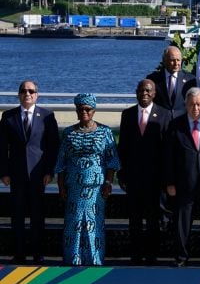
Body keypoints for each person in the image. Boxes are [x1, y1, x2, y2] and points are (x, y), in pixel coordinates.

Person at [53, 94, 119, 265]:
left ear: (94, 110)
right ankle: (73, 259)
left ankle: (94, 260)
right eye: (80, 109)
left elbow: (112, 161)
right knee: (74, 224)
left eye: (87, 109)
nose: (84, 112)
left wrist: (108, 184)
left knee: (94, 224)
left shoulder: (105, 132)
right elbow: (62, 161)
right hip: (74, 187)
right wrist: (61, 186)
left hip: (96, 189)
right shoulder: (69, 133)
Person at [0, 80, 59, 264]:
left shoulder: (47, 116)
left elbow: (53, 146)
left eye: (31, 91)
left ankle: (37, 253)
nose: (27, 94)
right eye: (23, 91)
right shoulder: (8, 116)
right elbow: (2, 147)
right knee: (17, 216)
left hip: (38, 175)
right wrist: (4, 172)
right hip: (16, 175)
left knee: (37, 215)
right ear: (18, 94)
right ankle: (18, 254)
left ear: (36, 95)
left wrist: (50, 171)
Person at [163, 88, 200, 267]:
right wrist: (170, 182)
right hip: (183, 183)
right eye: (191, 104)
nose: (195, 108)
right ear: (186, 105)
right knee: (182, 223)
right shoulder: (175, 125)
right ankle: (181, 256)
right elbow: (168, 157)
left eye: (199, 104)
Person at [117, 79, 172, 264]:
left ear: (154, 93)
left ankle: (151, 255)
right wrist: (122, 173)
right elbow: (122, 146)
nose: (144, 93)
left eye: (148, 90)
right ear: (136, 92)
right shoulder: (128, 114)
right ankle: (135, 255)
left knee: (153, 219)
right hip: (133, 177)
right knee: (134, 219)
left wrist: (166, 178)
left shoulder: (165, 115)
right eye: (141, 90)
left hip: (155, 179)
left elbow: (167, 150)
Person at [147, 45, 196, 117]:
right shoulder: (153, 79)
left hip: (181, 123)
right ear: (164, 60)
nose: (176, 64)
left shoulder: (190, 80)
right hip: (160, 122)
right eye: (172, 60)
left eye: (178, 60)